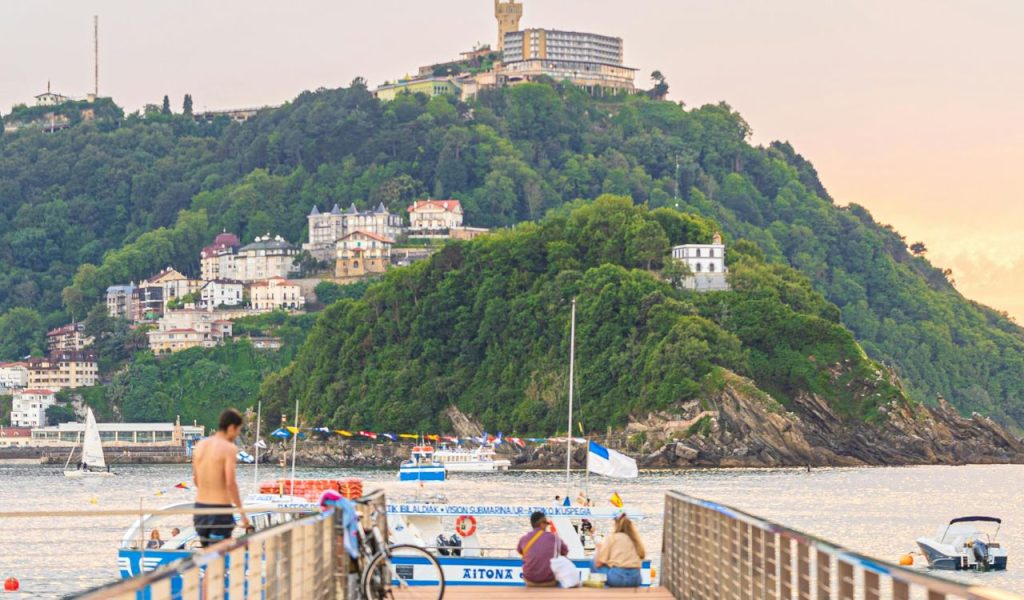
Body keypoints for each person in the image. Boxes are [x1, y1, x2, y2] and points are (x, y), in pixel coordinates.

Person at [191, 408, 250, 548]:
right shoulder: (229, 448)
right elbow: (230, 483)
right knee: (218, 558)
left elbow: (196, 479)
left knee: (209, 556)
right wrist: (242, 514)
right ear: (231, 428)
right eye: (237, 430)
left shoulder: (200, 446)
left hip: (200, 510)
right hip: (219, 511)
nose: (237, 435)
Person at [592, 511, 645, 587]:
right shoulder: (635, 539)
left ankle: (602, 592)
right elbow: (642, 556)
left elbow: (598, 563)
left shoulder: (613, 538)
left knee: (592, 562)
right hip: (635, 578)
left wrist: (599, 549)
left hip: (618, 578)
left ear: (616, 524)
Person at [516, 511, 568, 587]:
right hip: (549, 581)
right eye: (546, 523)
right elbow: (565, 552)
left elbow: (520, 551)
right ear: (542, 524)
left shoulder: (524, 539)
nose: (547, 526)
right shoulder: (554, 537)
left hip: (530, 580)